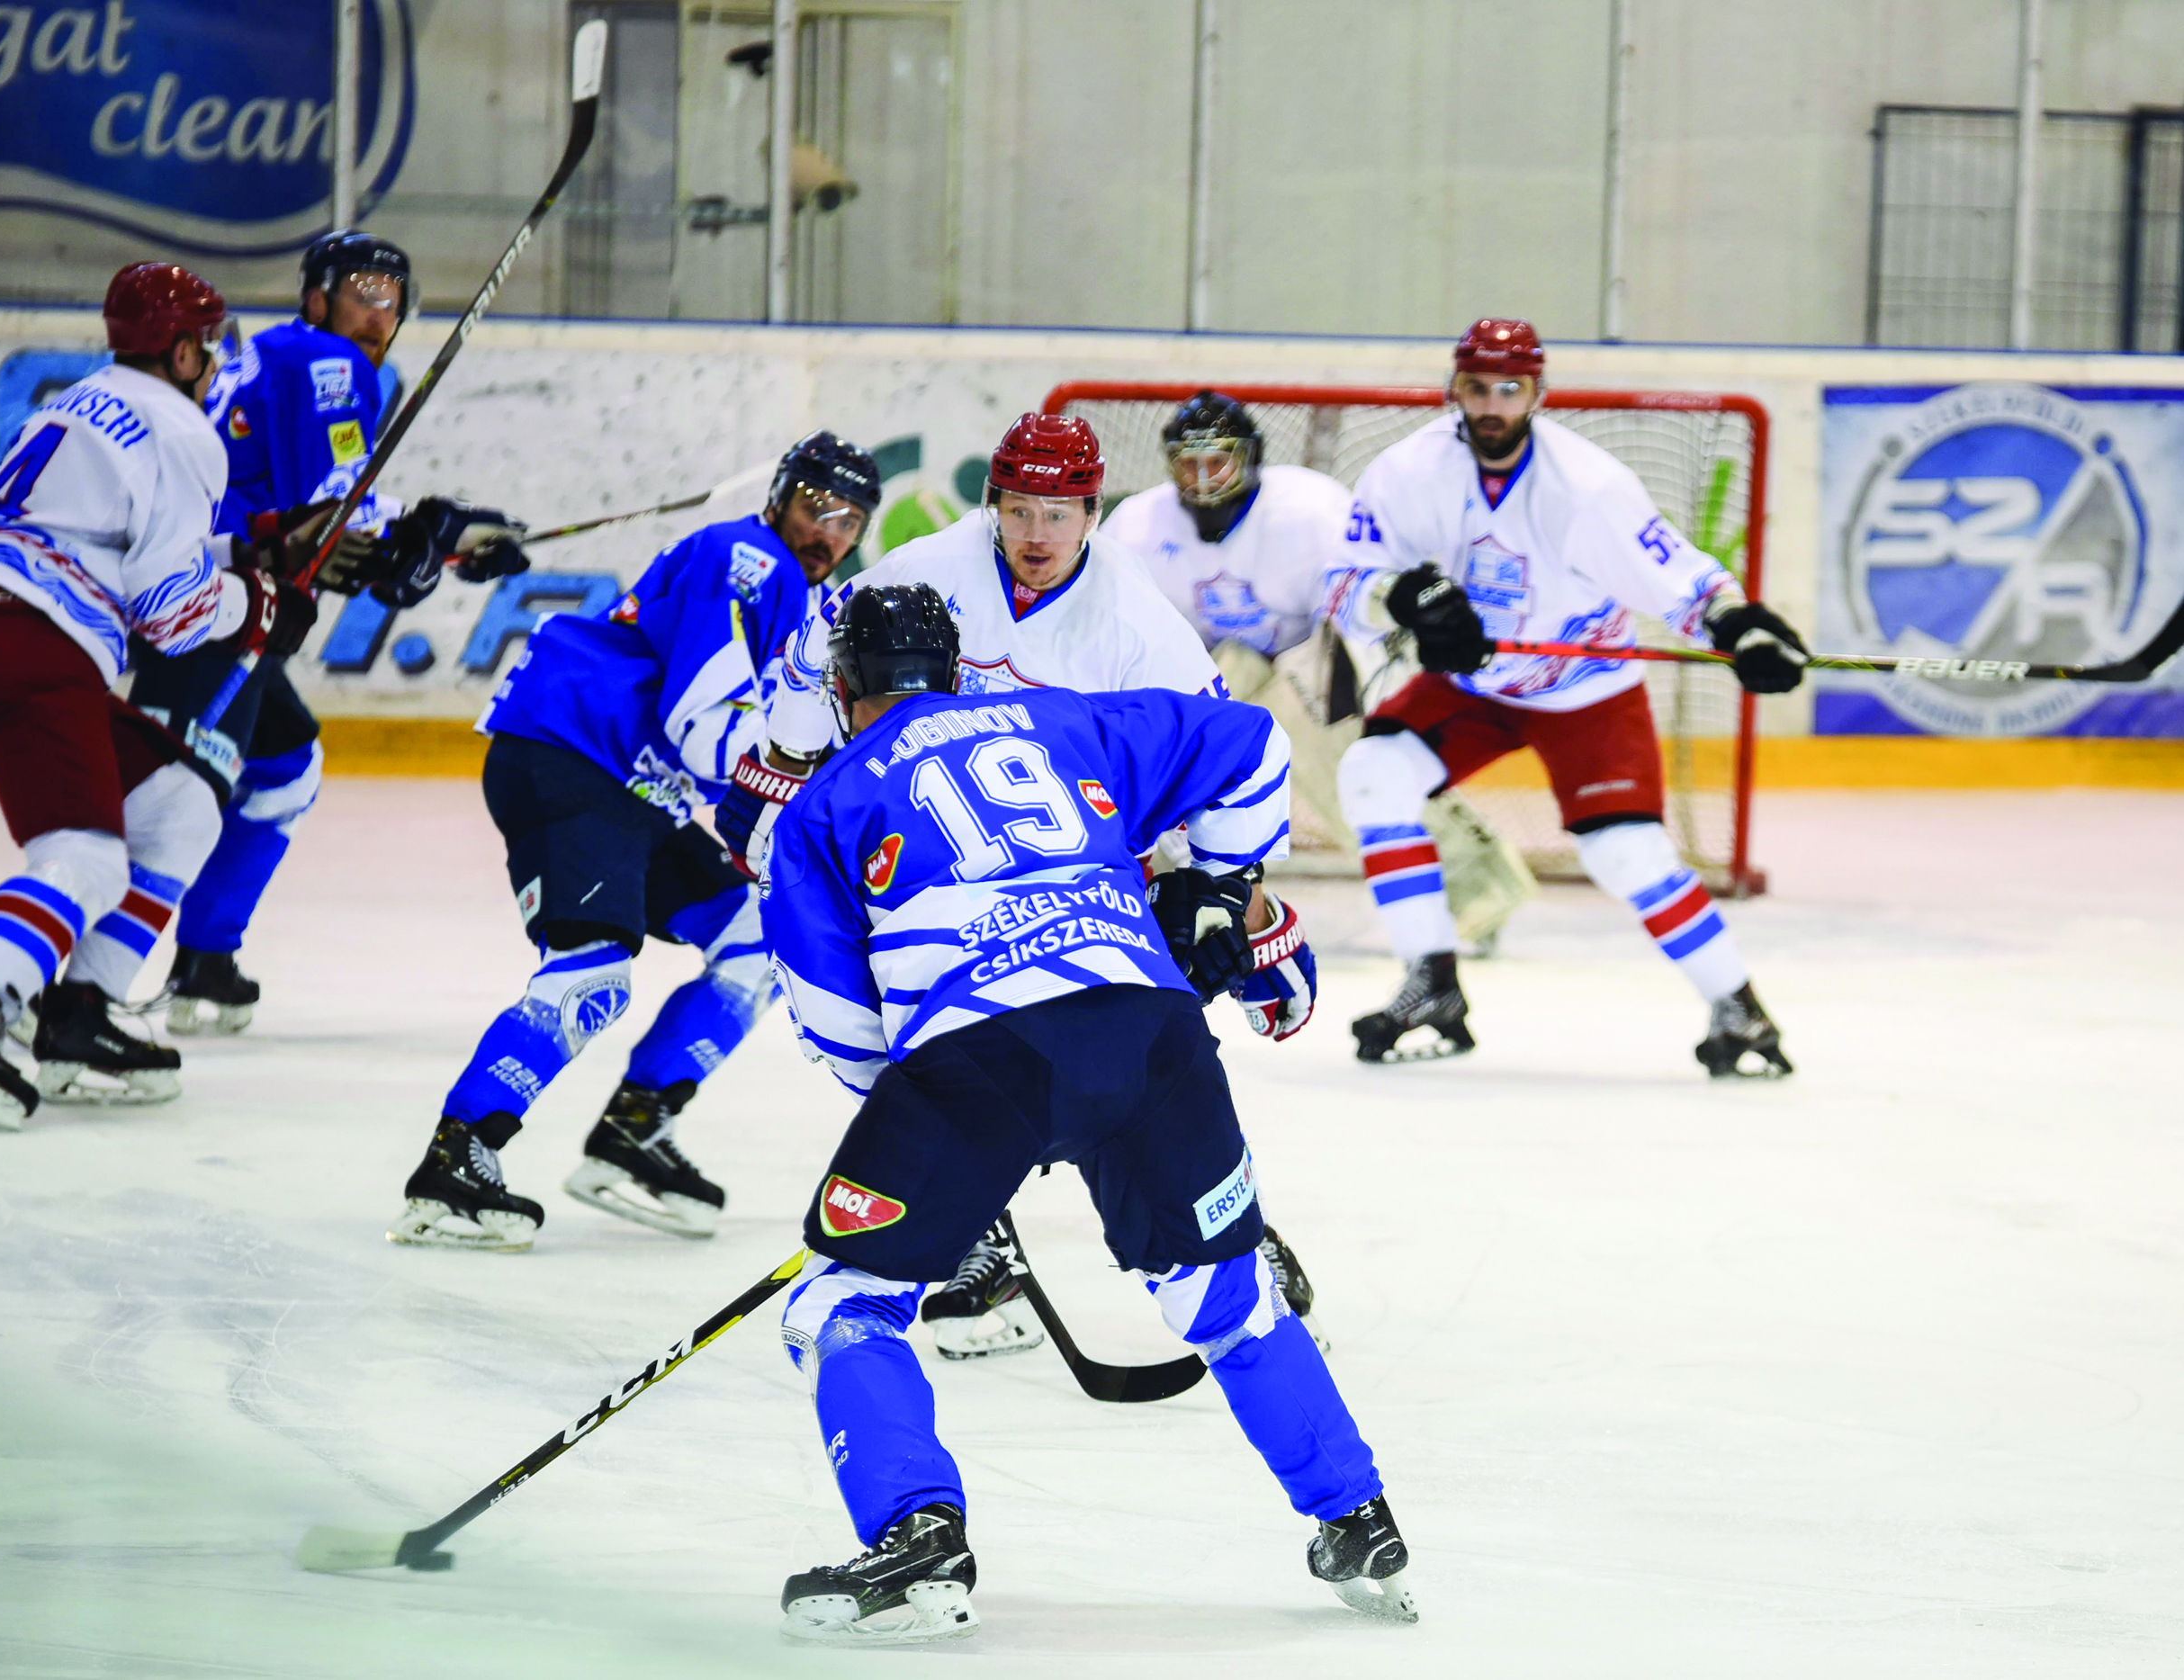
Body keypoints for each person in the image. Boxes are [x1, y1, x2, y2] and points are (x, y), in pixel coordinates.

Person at [760, 584, 1413, 1641]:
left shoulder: (822, 805)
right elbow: (1249, 741)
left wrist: (951, 1171)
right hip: (1150, 1031)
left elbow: (842, 1032)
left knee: (847, 1301)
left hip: (975, 1060)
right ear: (958, 667)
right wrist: (1212, 885)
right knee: (1224, 1292)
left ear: (842, 689)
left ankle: (914, 1532)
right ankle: (1356, 1517)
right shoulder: (1062, 716)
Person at [724, 412, 1324, 1360]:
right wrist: (786, 761)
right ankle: (969, 1229)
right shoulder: (915, 576)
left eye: (1058, 511)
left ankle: (1226, 1226)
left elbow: (1216, 759)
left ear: (1092, 513)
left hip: (1074, 860)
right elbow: (813, 658)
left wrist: (1231, 902)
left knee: (1136, 1034)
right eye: (1018, 509)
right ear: (991, 505)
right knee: (918, 1024)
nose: (1036, 534)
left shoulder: (1136, 623)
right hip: (933, 861)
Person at [384, 432, 881, 1252]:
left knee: (757, 941)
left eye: (850, 520)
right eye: (817, 506)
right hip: (573, 755)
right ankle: (457, 1157)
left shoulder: (790, 588)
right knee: (591, 975)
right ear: (780, 495)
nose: (830, 531)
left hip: (640, 789)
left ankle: (634, 1128)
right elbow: (704, 723)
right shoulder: (750, 558)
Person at [0, 263, 322, 1125]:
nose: (217, 357)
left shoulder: (78, 401)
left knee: (181, 803)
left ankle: (78, 1013)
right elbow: (170, 613)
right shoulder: (186, 431)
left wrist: (253, 547)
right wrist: (263, 604)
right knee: (87, 854)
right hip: (26, 638)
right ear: (186, 349)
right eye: (211, 340)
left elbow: (108, 543)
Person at [1329, 319, 1804, 1075]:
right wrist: (1406, 596)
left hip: (1585, 688)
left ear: (1538, 394)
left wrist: (1738, 627)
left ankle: (1737, 1006)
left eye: (1509, 390)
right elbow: (1347, 584)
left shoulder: (1589, 487)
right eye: (1477, 387)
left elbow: (1680, 576)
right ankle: (1432, 981)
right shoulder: (1406, 472)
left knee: (1624, 853)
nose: (1492, 405)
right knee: (1372, 774)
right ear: (1454, 388)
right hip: (1476, 685)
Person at [129, 229, 528, 1035]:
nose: (379, 312)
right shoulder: (326, 362)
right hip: (212, 602)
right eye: (362, 291)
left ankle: (204, 957)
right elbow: (332, 518)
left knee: (280, 763)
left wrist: (438, 544)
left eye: (392, 296)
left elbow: (320, 521)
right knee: (177, 794)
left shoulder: (274, 357)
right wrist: (424, 545)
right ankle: (30, 946)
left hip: (208, 590)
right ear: (317, 297)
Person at [1106, 389, 1537, 952]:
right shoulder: (1138, 526)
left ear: (1251, 457)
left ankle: (1478, 886)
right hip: (1214, 670)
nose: (1205, 478)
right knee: (1166, 757)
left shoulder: (1310, 510)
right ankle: (1150, 891)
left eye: (1220, 460)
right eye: (1190, 462)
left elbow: (1364, 598)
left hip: (1318, 652)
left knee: (1341, 757)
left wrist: (1369, 705)